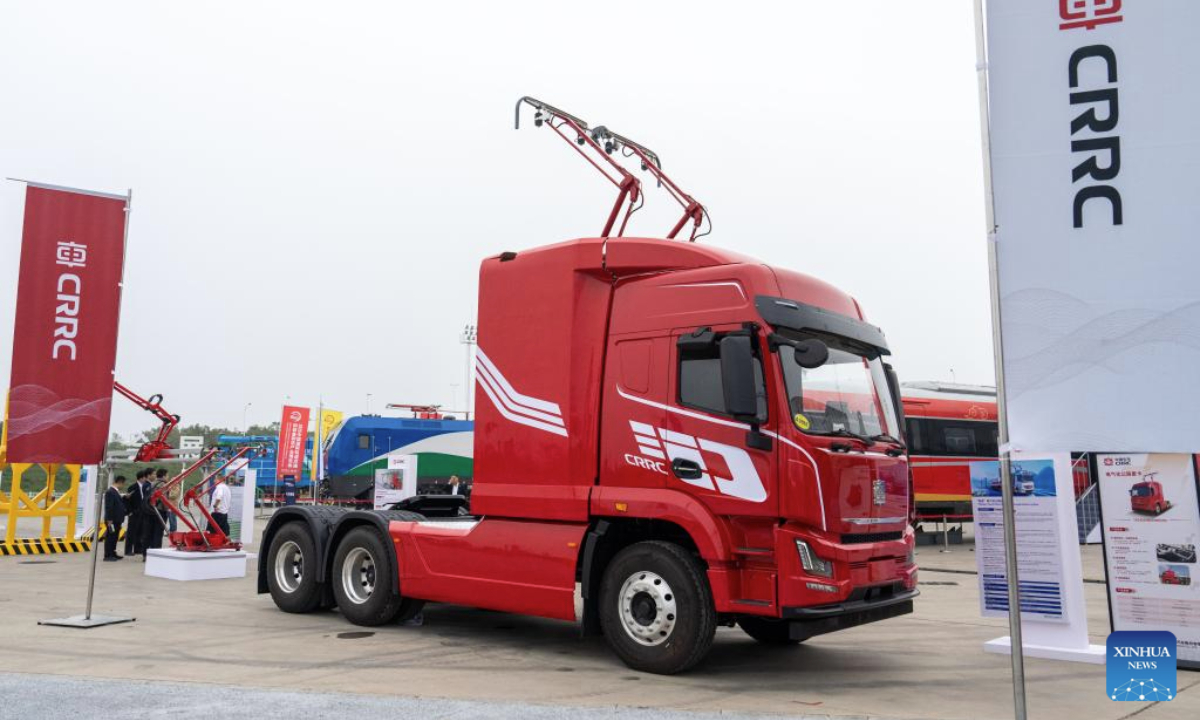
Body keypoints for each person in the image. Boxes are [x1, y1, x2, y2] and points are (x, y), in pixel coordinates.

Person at [103, 475, 128, 561]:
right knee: (110, 537)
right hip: (112, 520)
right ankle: (108, 555)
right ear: (120, 482)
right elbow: (109, 507)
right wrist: (109, 519)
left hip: (116, 519)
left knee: (114, 537)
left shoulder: (115, 492)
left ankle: (112, 552)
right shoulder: (110, 492)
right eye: (123, 484)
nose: (123, 486)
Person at [124, 469, 146, 556]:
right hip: (134, 513)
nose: (145, 479)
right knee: (131, 532)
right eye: (145, 478)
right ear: (141, 478)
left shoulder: (144, 487)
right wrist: (130, 512)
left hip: (142, 513)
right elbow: (128, 501)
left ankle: (138, 548)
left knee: (140, 531)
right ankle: (128, 550)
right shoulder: (132, 487)